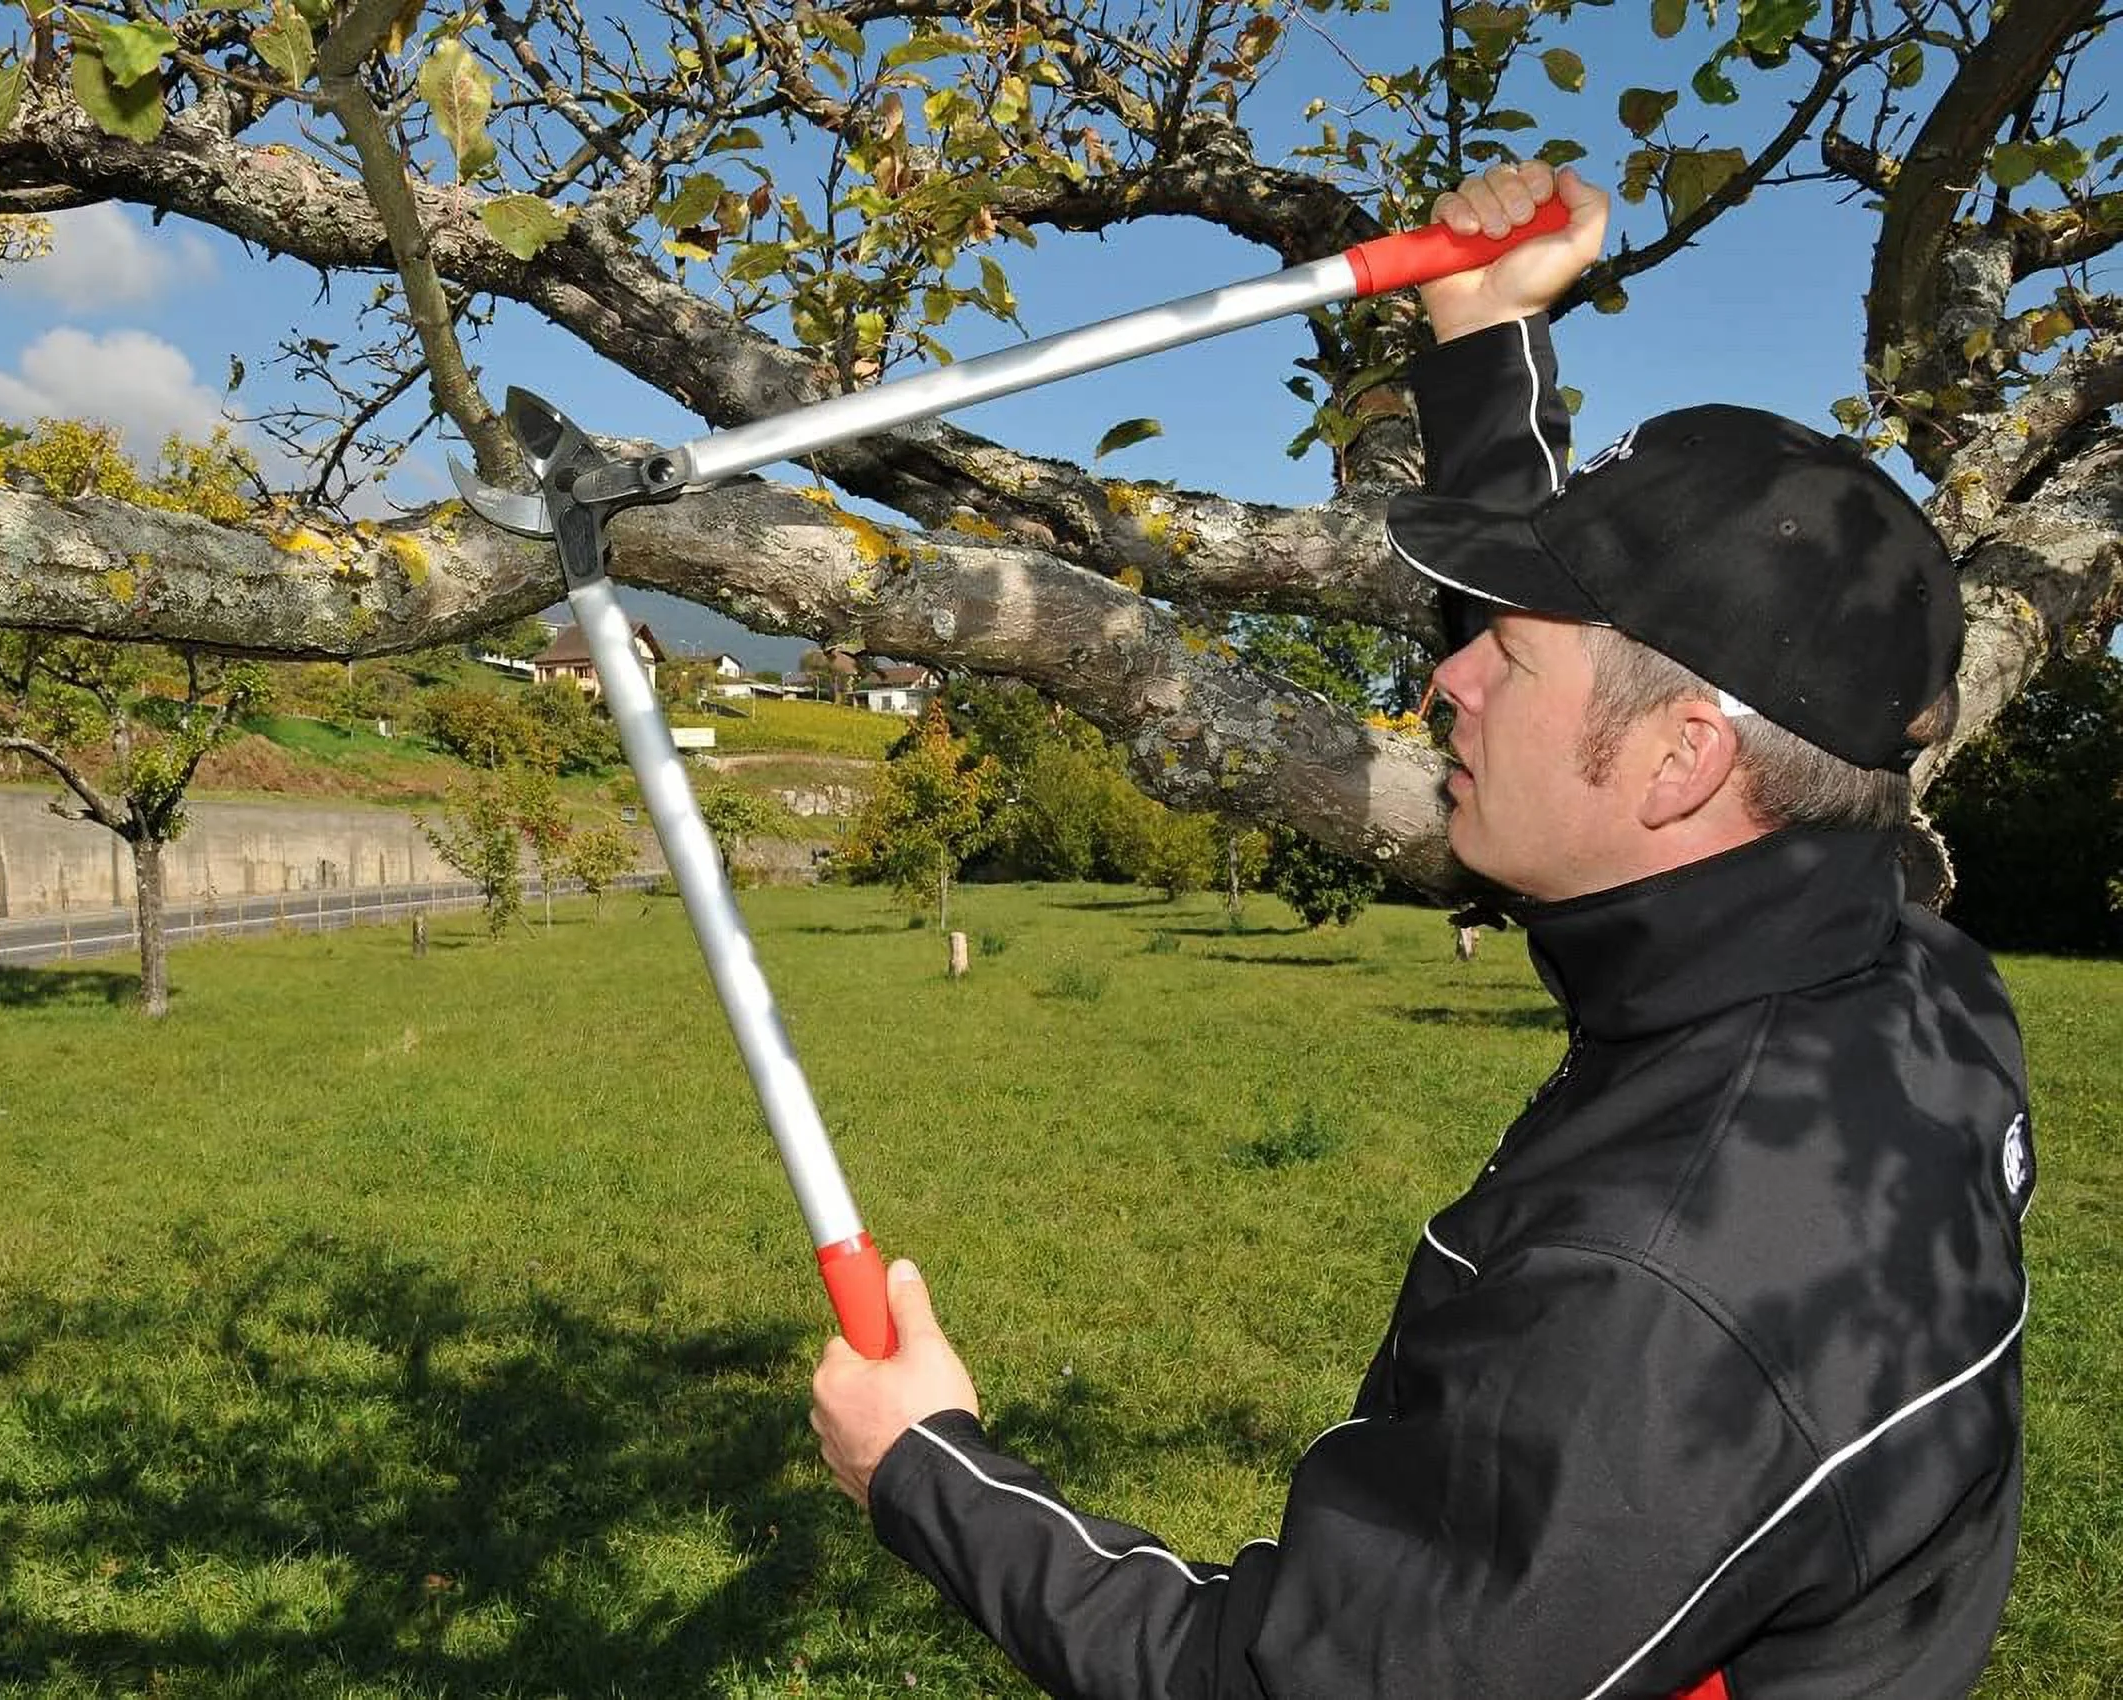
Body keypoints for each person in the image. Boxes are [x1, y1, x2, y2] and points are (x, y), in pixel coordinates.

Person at [809, 160, 2035, 1700]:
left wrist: (924, 1469)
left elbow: (1283, 1683)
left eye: (1502, 658)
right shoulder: (1905, 973)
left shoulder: (1650, 1300)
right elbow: (1595, 679)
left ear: (1684, 765)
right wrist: (1479, 334)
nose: (1444, 681)